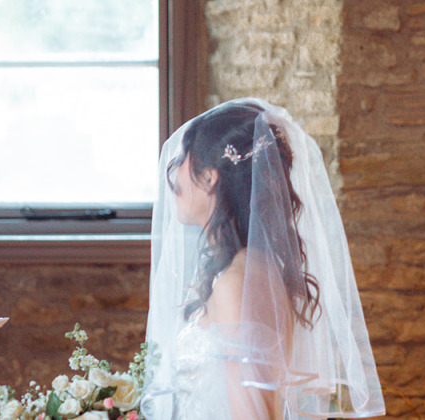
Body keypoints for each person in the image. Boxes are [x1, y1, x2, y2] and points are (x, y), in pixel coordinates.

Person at [142, 98, 386, 419]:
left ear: (210, 177)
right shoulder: (244, 269)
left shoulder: (237, 281)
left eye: (185, 156)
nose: (173, 170)